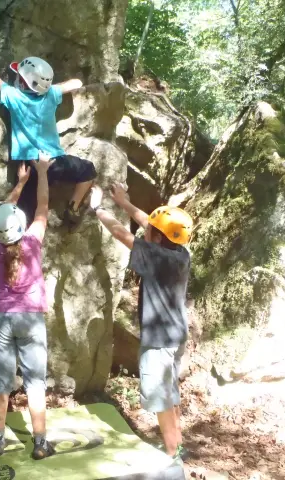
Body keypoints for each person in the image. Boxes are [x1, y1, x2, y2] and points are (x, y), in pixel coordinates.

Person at [88, 183, 193, 462]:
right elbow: (151, 223)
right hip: (176, 334)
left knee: (161, 399)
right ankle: (177, 443)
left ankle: (173, 454)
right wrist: (123, 202)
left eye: (151, 233)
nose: (146, 230)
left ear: (157, 239)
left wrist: (98, 208)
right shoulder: (181, 252)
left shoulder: (156, 257)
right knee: (170, 393)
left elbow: (121, 234)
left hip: (159, 340)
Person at [0, 46, 97, 231]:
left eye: (19, 77)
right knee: (88, 171)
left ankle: (17, 244)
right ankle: (73, 207)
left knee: (24, 214)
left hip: (30, 168)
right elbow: (76, 83)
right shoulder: (51, 94)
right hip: (56, 162)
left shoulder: (13, 96)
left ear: (22, 83)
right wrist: (53, 86)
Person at [0, 151, 56, 460]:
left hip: (3, 316)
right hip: (31, 317)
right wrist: (40, 173)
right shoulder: (31, 242)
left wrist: (18, 184)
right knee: (35, 383)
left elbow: (2, 212)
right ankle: (40, 443)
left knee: (2, 381)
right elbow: (42, 206)